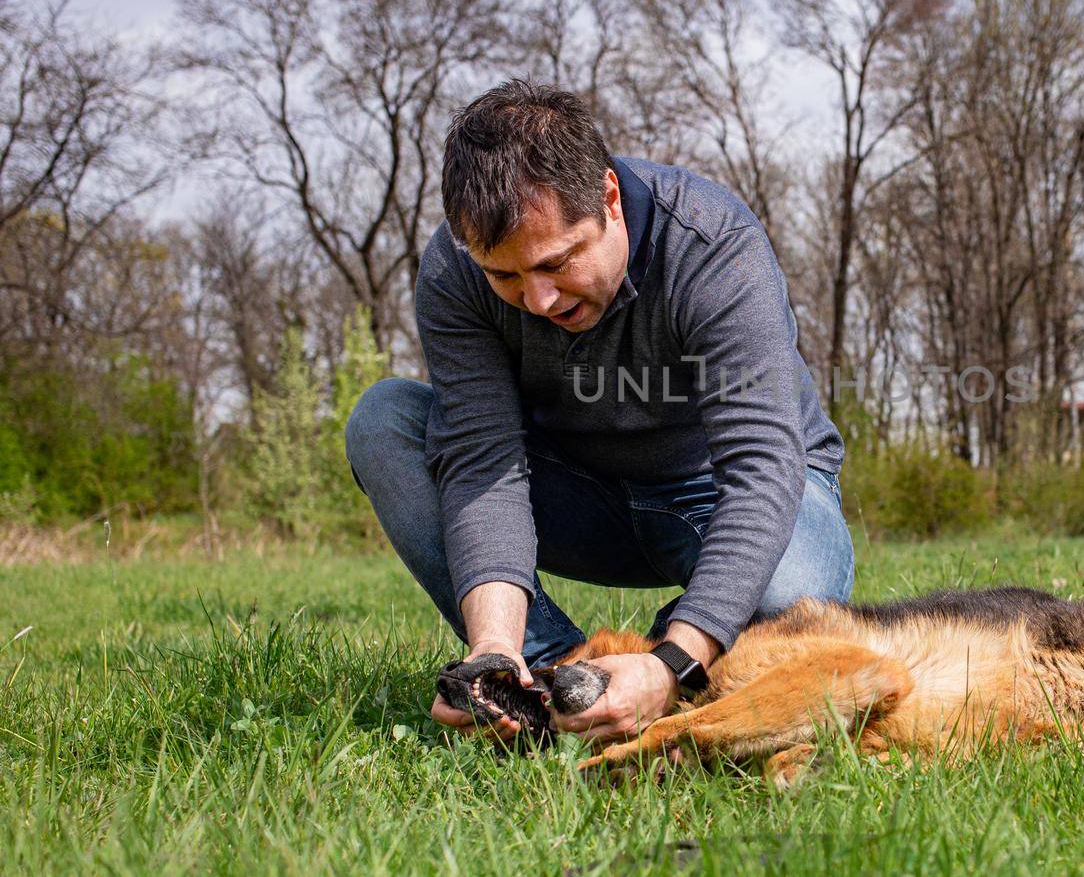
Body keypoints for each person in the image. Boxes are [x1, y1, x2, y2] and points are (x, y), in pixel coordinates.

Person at [344, 80, 852, 746]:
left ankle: (660, 677)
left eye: (557, 262)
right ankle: (550, 685)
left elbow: (760, 470)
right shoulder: (454, 271)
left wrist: (669, 661)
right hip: (572, 495)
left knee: (794, 596)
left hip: (720, 495)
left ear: (609, 199)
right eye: (508, 278)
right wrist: (495, 647)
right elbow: (483, 464)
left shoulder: (712, 242)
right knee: (385, 421)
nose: (541, 299)